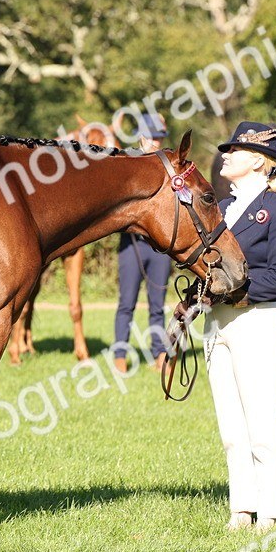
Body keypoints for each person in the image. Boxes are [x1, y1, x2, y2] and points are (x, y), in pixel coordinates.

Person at [207, 122, 276, 532]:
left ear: (260, 162)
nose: (225, 153)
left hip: (257, 320)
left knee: (262, 420)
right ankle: (241, 508)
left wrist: (228, 291)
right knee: (230, 425)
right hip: (217, 324)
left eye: (236, 149)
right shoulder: (216, 210)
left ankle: (271, 511)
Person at [113, 113, 172, 372]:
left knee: (158, 304)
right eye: (152, 137)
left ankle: (160, 354)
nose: (156, 142)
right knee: (126, 303)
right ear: (140, 137)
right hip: (131, 245)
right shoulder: (127, 163)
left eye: (159, 137)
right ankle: (120, 354)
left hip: (159, 247)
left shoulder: (169, 165)